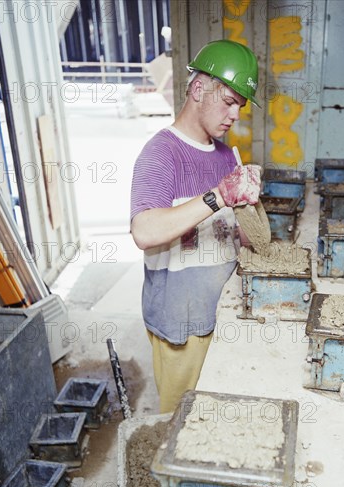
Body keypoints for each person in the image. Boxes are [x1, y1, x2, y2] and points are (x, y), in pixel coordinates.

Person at [130, 40, 261, 413]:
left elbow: (241, 241)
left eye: (241, 105)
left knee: (217, 420)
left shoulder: (224, 156)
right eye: (229, 101)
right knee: (181, 429)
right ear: (199, 89)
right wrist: (219, 195)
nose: (235, 115)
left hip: (223, 316)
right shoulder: (161, 154)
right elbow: (144, 231)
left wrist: (250, 206)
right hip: (181, 328)